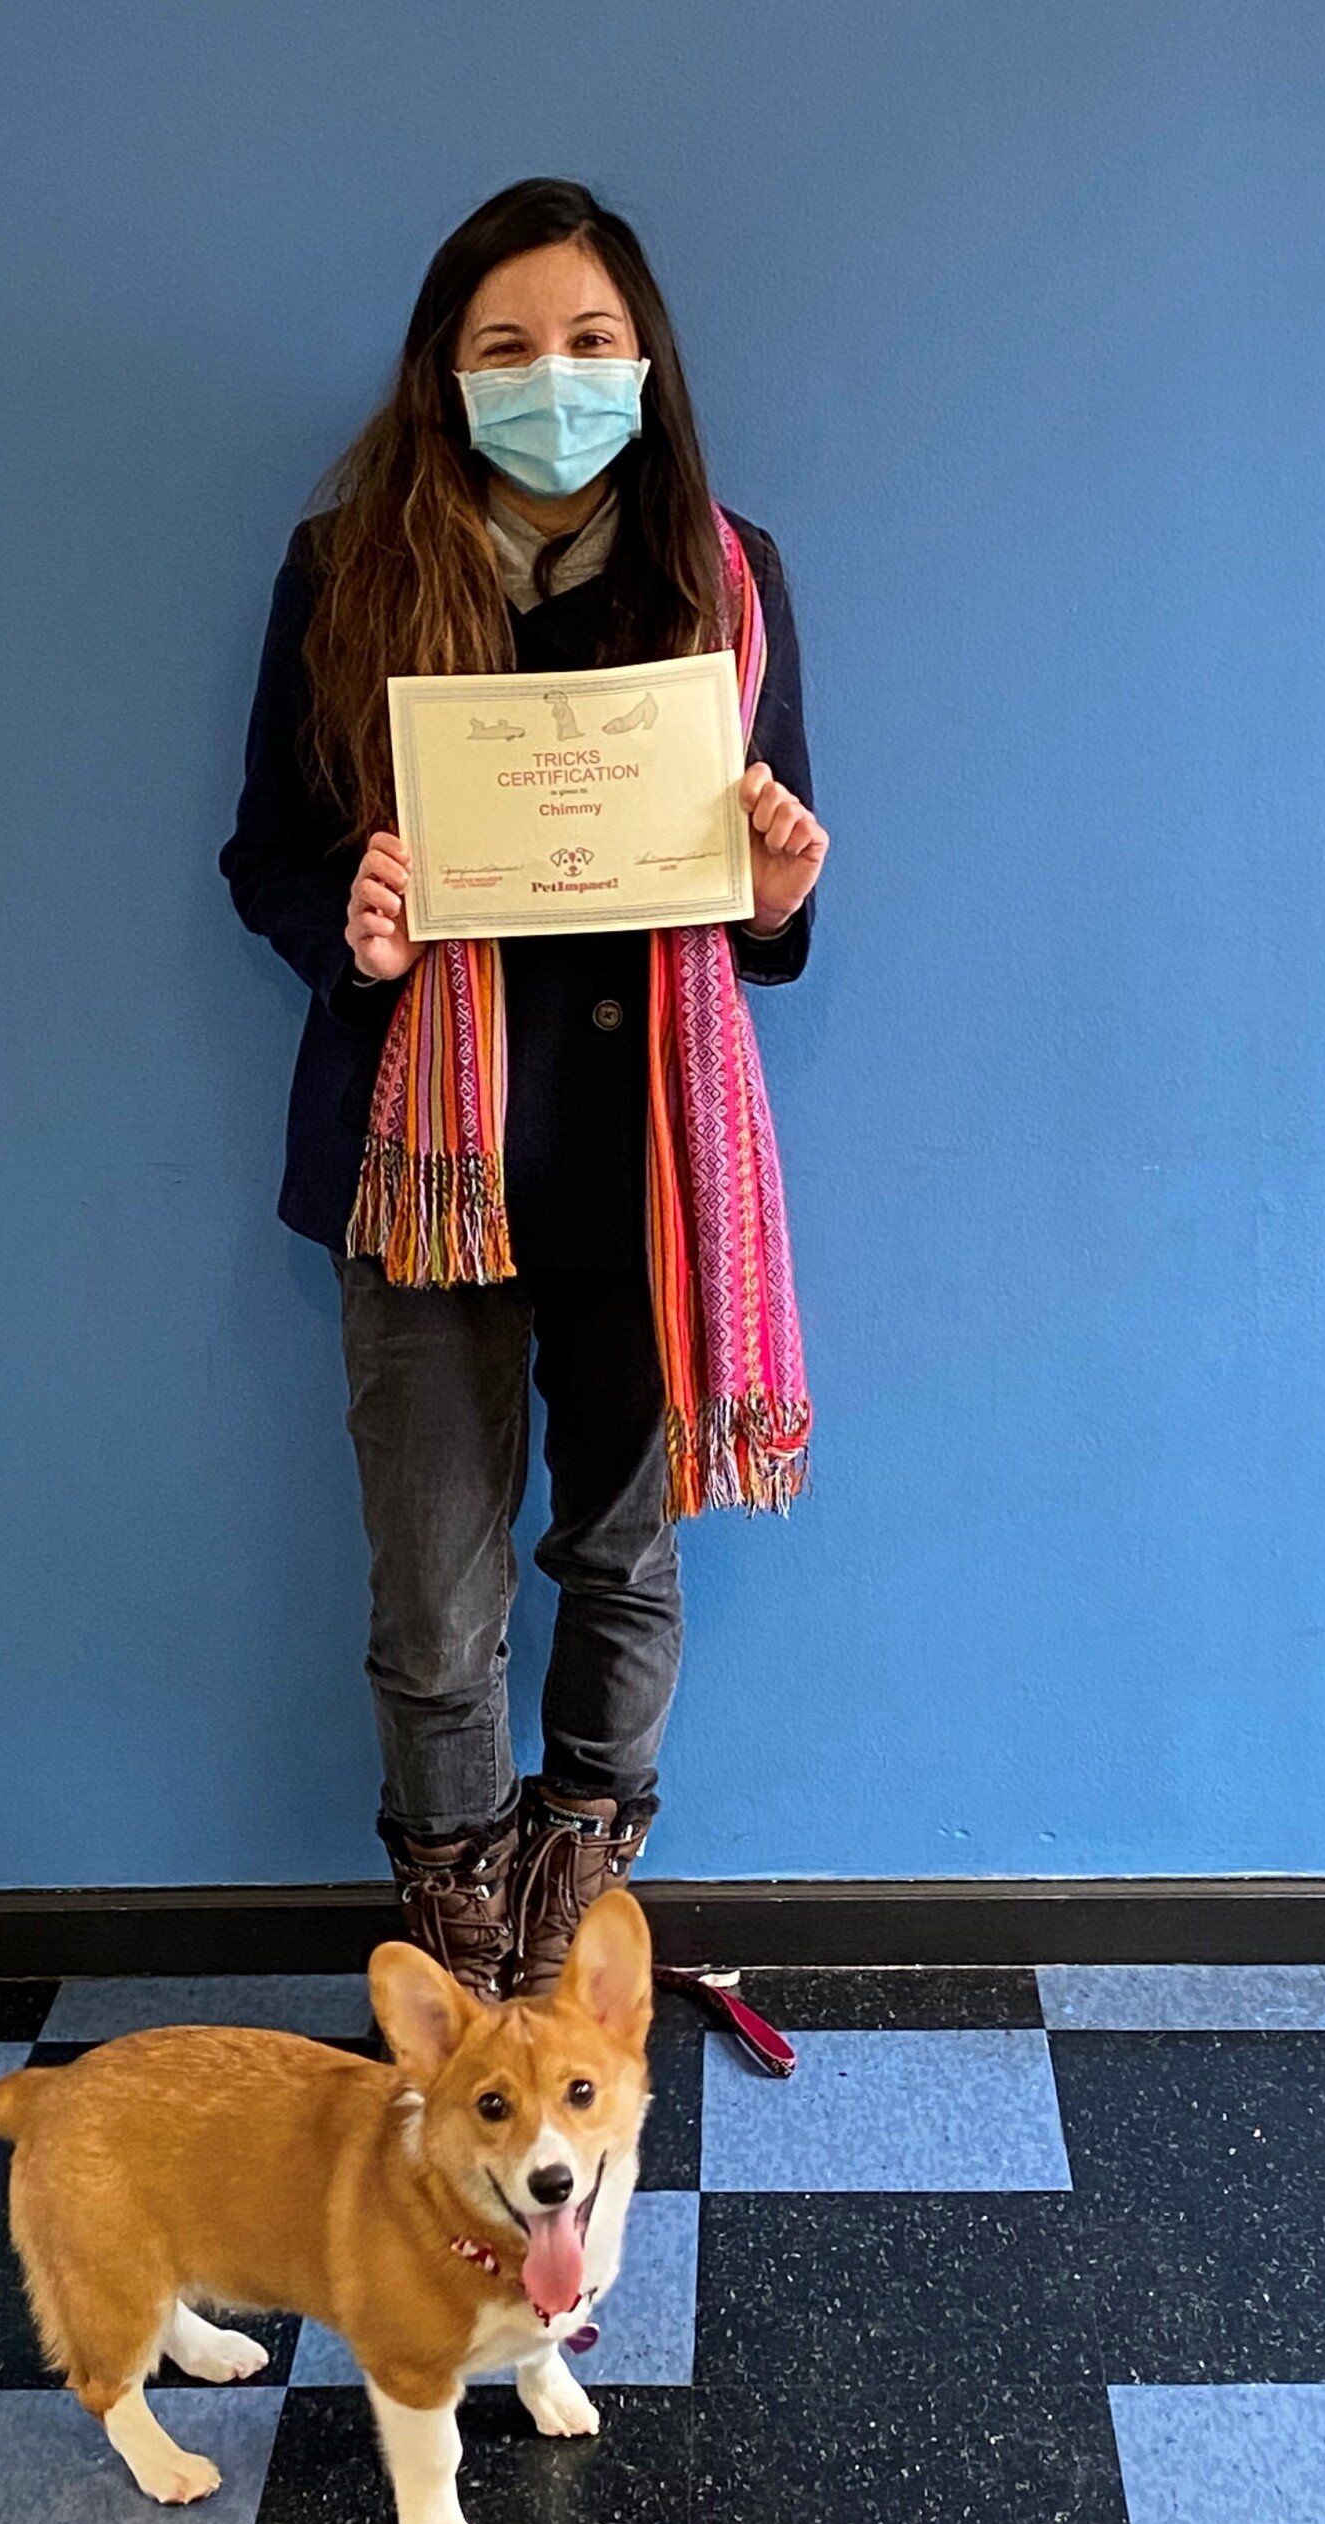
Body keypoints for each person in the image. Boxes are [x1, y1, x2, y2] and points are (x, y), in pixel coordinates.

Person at [219, 177, 828, 2001]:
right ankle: (456, 1940)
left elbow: (761, 880)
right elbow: (264, 857)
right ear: (444, 369)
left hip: (645, 1170)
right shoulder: (346, 572)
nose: (549, 376)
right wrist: (360, 926)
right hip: (421, 1167)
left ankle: (572, 1907)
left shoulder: (726, 574)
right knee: (433, 1603)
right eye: (506, 348)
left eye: (586, 342)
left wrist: (782, 894)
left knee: (622, 1553)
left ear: (644, 361)